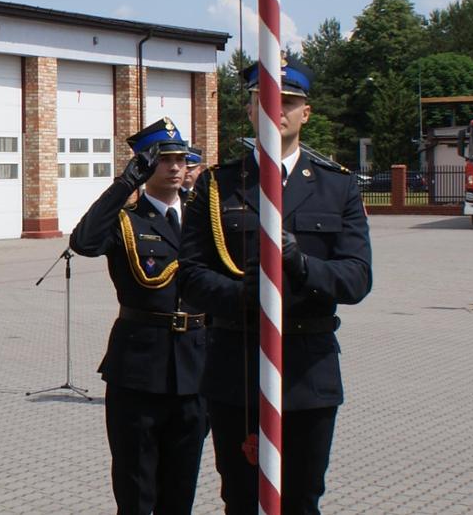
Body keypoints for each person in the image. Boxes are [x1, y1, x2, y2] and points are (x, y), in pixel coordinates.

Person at [177, 57, 372, 515]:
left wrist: (300, 264)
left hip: (308, 368)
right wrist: (245, 296)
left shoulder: (336, 188)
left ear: (306, 112)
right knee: (241, 499)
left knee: (302, 500)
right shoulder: (217, 185)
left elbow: (357, 278)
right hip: (236, 363)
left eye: (288, 101)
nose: (276, 109)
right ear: (249, 111)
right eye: (264, 100)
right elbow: (190, 274)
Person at [71, 119, 209, 515]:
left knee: (180, 490)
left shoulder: (204, 220)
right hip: (139, 369)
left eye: (182, 158)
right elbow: (84, 242)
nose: (175, 167)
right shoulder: (127, 220)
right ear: (145, 166)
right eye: (163, 159)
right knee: (136, 489)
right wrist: (122, 185)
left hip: (195, 368)